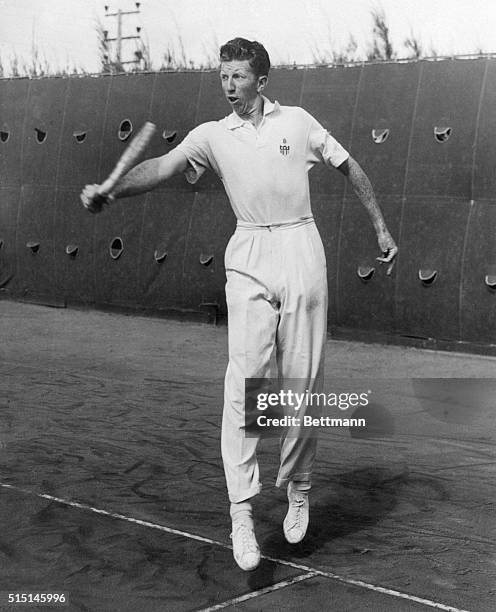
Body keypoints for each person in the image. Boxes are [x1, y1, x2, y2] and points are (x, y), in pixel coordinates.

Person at [81, 37, 397, 572]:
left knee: (303, 380)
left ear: (261, 81)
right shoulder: (211, 136)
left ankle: (298, 487)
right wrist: (113, 191)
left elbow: (351, 167)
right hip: (249, 249)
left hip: (301, 246)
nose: (229, 86)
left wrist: (381, 226)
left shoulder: (297, 122)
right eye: (223, 76)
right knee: (246, 380)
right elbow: (158, 167)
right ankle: (242, 512)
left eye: (238, 77)